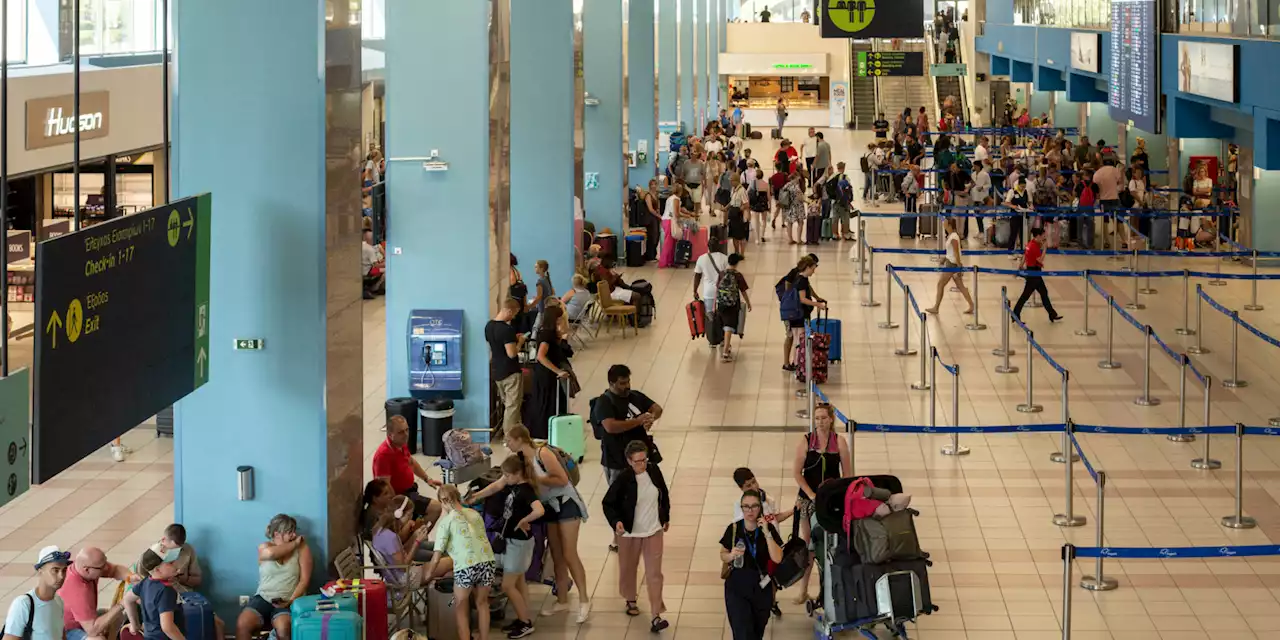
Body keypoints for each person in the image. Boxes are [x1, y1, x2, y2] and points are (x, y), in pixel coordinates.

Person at [503, 425, 592, 623]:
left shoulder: (542, 452)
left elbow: (561, 479)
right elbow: (502, 481)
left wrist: (536, 479)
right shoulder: (520, 460)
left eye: (508, 440)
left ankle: (584, 600)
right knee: (556, 554)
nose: (506, 444)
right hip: (549, 507)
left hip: (566, 504)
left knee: (569, 553)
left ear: (519, 439)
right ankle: (562, 600)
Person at [465, 456, 546, 639]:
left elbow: (539, 510)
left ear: (518, 474)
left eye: (507, 475)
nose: (505, 478)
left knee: (508, 585)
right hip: (511, 541)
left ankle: (526, 623)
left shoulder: (526, 491)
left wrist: (525, 520)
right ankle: (522, 617)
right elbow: (495, 486)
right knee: (517, 582)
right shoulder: (513, 485)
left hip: (519, 544)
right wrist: (475, 497)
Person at [602, 440, 671, 633]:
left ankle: (656, 614)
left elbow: (663, 494)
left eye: (644, 459)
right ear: (629, 461)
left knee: (654, 574)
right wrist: (616, 522)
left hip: (653, 530)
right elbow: (608, 503)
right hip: (630, 533)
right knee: (628, 568)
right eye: (637, 461)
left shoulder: (654, 471)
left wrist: (665, 517)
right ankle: (630, 598)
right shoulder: (624, 479)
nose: (642, 464)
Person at [790, 405, 850, 604]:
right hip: (809, 500)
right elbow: (797, 472)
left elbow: (848, 476)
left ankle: (828, 589)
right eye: (817, 418)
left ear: (831, 419)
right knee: (810, 545)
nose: (820, 422)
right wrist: (811, 494)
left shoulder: (839, 442)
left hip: (830, 502)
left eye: (824, 418)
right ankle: (803, 589)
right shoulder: (806, 441)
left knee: (830, 546)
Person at [423, 485, 499, 640]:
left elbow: (436, 556)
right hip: (487, 561)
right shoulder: (475, 513)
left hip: (466, 566)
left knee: (460, 607)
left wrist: (428, 575)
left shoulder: (446, 522)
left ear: (443, 502)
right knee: (482, 603)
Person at [235, 515, 313, 640]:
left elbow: (304, 581)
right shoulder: (264, 547)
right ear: (277, 534)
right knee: (242, 623)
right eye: (289, 532)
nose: (294, 535)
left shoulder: (302, 549)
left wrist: (290, 601)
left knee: (284, 627)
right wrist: (296, 543)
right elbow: (271, 553)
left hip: (288, 600)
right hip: (263, 597)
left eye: (294, 531)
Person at [720, 490, 783, 640]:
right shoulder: (734, 528)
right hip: (737, 586)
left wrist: (767, 533)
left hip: (761, 587)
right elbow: (723, 554)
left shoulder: (768, 529)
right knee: (742, 631)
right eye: (746, 506)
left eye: (754, 506)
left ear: (760, 508)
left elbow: (777, 558)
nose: (750, 510)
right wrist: (731, 555)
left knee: (757, 631)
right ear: (741, 508)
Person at [591, 364, 664, 486]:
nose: (627, 386)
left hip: (641, 456)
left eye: (628, 382)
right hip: (617, 459)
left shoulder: (635, 396)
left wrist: (650, 418)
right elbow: (610, 426)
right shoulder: (604, 402)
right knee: (621, 496)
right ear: (611, 383)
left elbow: (657, 408)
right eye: (622, 383)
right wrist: (638, 421)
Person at [372, 415, 445, 521]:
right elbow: (385, 487)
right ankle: (417, 535)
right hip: (400, 496)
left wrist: (427, 479)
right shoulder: (383, 455)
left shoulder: (400, 444)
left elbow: (411, 462)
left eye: (407, 430)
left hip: (410, 491)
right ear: (389, 434)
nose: (406, 434)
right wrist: (400, 506)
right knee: (435, 508)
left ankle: (417, 530)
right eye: (401, 432)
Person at [59, 548, 130, 640]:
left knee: (117, 616)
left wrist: (131, 578)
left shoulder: (86, 568)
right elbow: (92, 630)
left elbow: (114, 570)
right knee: (97, 639)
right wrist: (122, 604)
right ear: (86, 570)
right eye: (102, 567)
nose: (106, 568)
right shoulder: (77, 590)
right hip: (67, 630)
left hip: (83, 620)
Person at [122, 549, 193, 640]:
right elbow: (167, 627)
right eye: (170, 563)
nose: (175, 564)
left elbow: (127, 599)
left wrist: (135, 625)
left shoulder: (145, 582)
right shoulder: (166, 591)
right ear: (157, 570)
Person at [3, 546, 69, 640]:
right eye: (55, 570)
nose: (61, 576)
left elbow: (61, 636)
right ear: (40, 570)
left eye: (64, 570)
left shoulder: (58, 601)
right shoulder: (23, 604)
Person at [526, 305, 570, 440]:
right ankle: (544, 431)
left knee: (554, 401)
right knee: (547, 402)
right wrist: (558, 371)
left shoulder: (552, 332)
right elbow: (541, 356)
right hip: (546, 374)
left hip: (551, 373)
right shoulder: (546, 334)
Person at [369, 495, 434, 585]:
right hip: (405, 578)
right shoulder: (390, 537)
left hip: (395, 576)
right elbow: (403, 567)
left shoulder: (380, 530)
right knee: (449, 562)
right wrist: (417, 542)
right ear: (399, 514)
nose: (411, 517)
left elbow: (401, 551)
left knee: (443, 564)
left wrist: (414, 536)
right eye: (409, 514)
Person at [779, 256, 825, 372]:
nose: (814, 271)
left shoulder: (798, 278)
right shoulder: (802, 281)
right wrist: (817, 304)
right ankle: (798, 363)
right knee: (801, 340)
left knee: (796, 339)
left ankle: (795, 363)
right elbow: (802, 299)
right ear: (808, 267)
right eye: (813, 269)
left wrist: (817, 298)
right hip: (800, 314)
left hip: (793, 314)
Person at [486, 298, 525, 435]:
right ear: (508, 310)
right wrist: (519, 342)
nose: (513, 317)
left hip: (496, 370)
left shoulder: (489, 326)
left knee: (507, 403)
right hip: (510, 372)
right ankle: (509, 437)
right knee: (512, 406)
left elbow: (496, 346)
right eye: (513, 313)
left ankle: (517, 433)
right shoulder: (507, 329)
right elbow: (512, 354)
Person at [1012, 227, 1063, 323]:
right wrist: (1044, 249)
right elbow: (1040, 260)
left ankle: (1052, 314)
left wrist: (1020, 267)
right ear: (1038, 236)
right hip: (1034, 274)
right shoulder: (1034, 246)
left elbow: (1024, 256)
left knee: (1043, 293)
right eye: (1043, 235)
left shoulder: (1030, 244)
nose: (1044, 237)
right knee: (1026, 295)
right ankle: (1015, 314)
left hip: (1033, 272)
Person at [925, 218, 975, 315]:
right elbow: (951, 252)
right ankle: (971, 305)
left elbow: (956, 253)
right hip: (951, 262)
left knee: (940, 284)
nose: (944, 225)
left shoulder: (953, 238)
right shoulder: (951, 236)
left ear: (950, 225)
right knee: (960, 286)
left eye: (946, 224)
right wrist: (945, 258)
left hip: (952, 264)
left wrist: (959, 267)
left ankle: (936, 307)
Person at [712, 254, 752, 362]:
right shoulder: (738, 275)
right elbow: (743, 291)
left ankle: (726, 346)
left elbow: (717, 290)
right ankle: (725, 352)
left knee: (724, 324)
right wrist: (748, 303)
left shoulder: (721, 273)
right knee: (729, 327)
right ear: (737, 263)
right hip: (732, 304)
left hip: (721, 303)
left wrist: (714, 304)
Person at [692, 236, 730, 331]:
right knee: (722, 316)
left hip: (708, 293)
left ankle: (712, 339)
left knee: (710, 317)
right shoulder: (725, 258)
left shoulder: (701, 259)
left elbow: (697, 276)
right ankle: (722, 339)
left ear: (708, 246)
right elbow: (729, 276)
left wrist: (695, 291)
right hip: (722, 292)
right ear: (719, 246)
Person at [1093, 158, 1124, 247]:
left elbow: (1096, 187)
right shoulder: (1114, 170)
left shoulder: (1097, 173)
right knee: (1118, 220)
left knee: (1105, 221)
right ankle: (1123, 240)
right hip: (1114, 198)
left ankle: (1106, 241)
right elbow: (1119, 182)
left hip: (1103, 200)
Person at [828, 162, 855, 241]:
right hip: (843, 201)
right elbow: (849, 188)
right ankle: (845, 234)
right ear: (843, 168)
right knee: (845, 217)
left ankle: (835, 234)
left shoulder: (832, 177)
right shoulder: (845, 177)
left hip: (834, 200)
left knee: (835, 217)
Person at [726, 172, 750, 255]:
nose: (730, 182)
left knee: (741, 236)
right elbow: (732, 201)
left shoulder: (742, 191)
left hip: (740, 216)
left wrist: (739, 209)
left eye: (732, 181)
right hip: (733, 216)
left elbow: (746, 204)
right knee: (734, 235)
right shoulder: (733, 190)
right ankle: (736, 252)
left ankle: (742, 253)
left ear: (736, 181)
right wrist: (726, 208)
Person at [780, 172, 806, 245]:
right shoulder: (796, 186)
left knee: (789, 223)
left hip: (788, 206)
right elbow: (800, 198)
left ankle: (790, 239)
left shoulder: (786, 185)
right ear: (795, 177)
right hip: (797, 206)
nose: (799, 179)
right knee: (800, 222)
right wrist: (807, 201)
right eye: (798, 177)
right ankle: (799, 240)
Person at [361, 229, 384, 299]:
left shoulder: (360, 245)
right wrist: (388, 263)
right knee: (387, 270)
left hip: (360, 269)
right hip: (367, 271)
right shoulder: (369, 249)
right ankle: (375, 288)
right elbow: (376, 265)